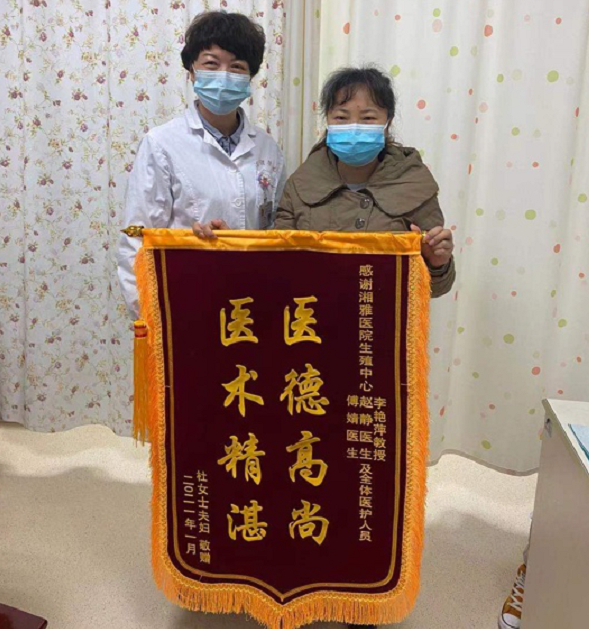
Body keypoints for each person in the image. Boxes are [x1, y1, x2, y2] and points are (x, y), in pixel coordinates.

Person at [117, 10, 286, 319]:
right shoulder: (161, 144)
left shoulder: (268, 149)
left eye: (237, 67)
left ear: (250, 78)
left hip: (253, 303)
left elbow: (278, 233)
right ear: (192, 71)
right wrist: (148, 318)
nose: (224, 74)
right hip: (185, 303)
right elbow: (138, 239)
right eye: (211, 63)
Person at [274, 67, 455, 297]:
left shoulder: (413, 184)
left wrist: (438, 263)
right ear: (327, 121)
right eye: (341, 117)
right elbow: (278, 266)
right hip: (312, 313)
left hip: (383, 315)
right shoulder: (301, 184)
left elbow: (433, 290)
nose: (354, 128)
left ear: (387, 122)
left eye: (368, 118)